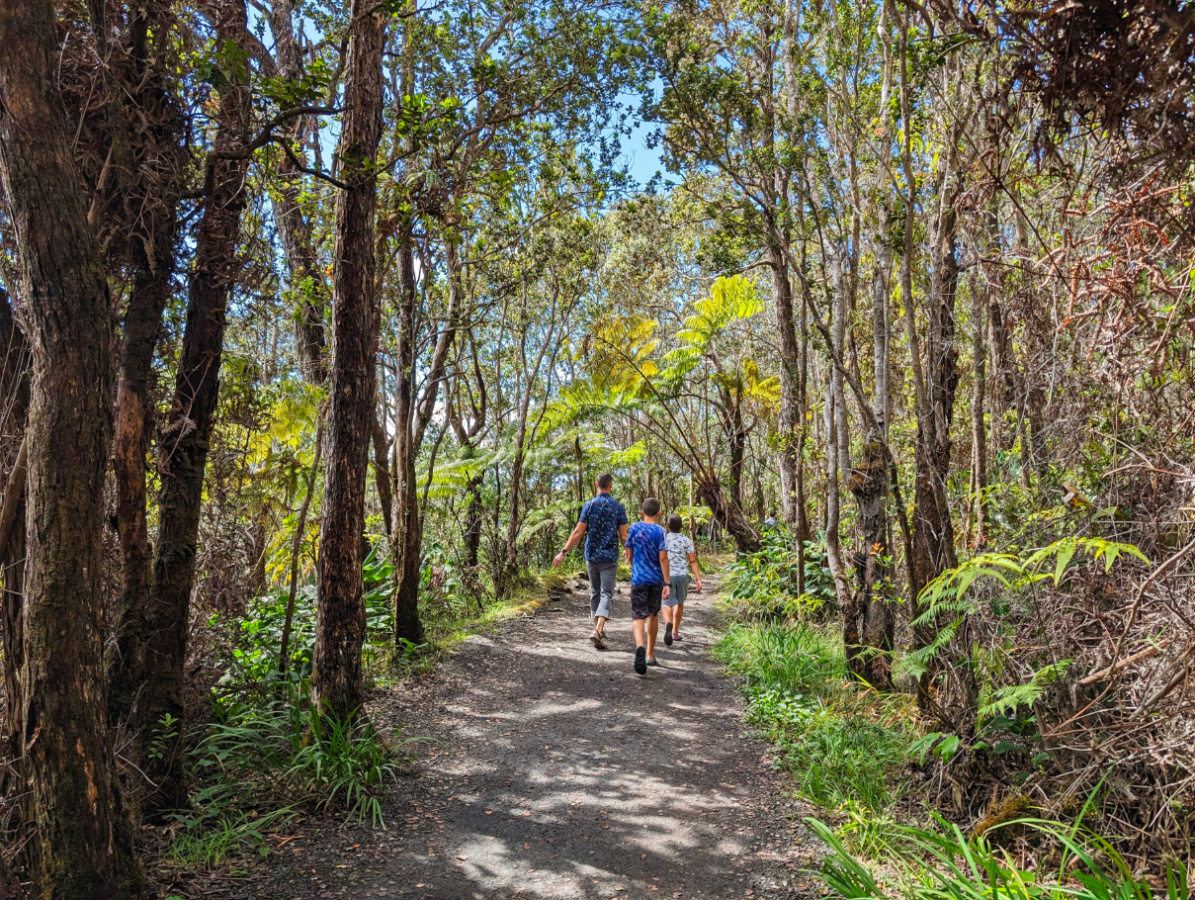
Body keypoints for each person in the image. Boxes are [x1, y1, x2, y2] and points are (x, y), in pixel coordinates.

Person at [553, 473, 629, 648]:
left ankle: (597, 629)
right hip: (610, 557)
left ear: (596, 485)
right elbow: (624, 535)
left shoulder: (589, 505)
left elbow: (578, 532)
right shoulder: (618, 506)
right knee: (606, 593)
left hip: (592, 556)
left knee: (595, 592)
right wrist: (628, 550)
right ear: (611, 485)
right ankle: (598, 629)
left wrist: (563, 552)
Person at [624, 498, 670, 675]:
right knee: (652, 614)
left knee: (637, 615)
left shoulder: (634, 528)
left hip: (638, 579)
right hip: (655, 580)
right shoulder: (660, 531)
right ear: (659, 514)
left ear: (642, 512)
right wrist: (667, 582)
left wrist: (631, 560)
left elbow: (629, 551)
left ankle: (639, 646)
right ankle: (650, 655)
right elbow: (663, 558)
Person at [662, 514, 701, 645]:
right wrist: (698, 578)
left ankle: (668, 622)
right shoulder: (686, 541)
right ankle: (674, 632)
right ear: (682, 526)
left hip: (668, 575)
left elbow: (660, 558)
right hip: (683, 575)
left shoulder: (663, 540)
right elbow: (692, 560)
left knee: (666, 603)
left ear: (667, 527)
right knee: (679, 602)